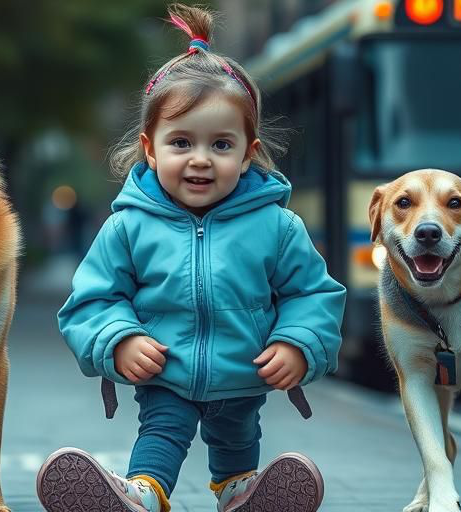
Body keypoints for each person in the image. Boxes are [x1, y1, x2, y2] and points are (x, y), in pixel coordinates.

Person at [37, 4, 345, 511]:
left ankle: (241, 493)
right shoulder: (128, 226)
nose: (200, 158)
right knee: (161, 433)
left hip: (244, 373)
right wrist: (119, 339)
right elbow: (91, 300)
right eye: (181, 142)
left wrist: (298, 344)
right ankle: (143, 496)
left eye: (221, 144)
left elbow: (312, 293)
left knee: (237, 439)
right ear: (150, 149)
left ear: (248, 153)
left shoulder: (276, 226)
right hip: (166, 372)